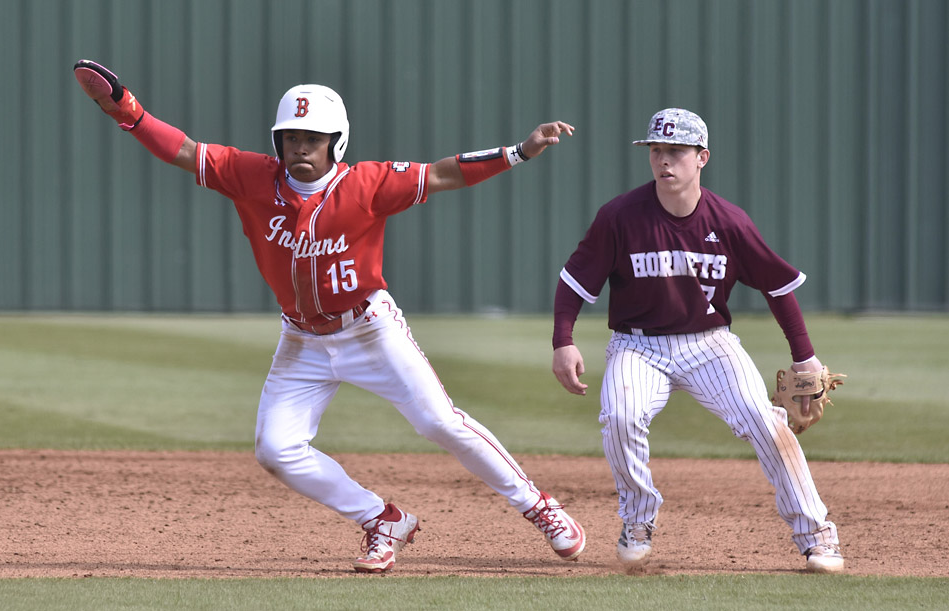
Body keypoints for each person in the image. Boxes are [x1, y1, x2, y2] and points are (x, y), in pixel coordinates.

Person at [73, 59, 585, 573]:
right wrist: (122, 107)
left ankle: (540, 509)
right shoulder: (251, 177)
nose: (300, 147)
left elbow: (444, 172)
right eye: (291, 137)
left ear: (336, 142)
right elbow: (182, 150)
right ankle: (382, 519)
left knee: (439, 422)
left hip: (369, 329)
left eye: (313, 138)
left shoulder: (367, 184)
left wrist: (518, 152)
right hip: (302, 341)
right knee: (276, 449)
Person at [550, 108, 844, 574]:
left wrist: (805, 357)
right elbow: (574, 282)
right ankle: (638, 520)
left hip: (710, 344)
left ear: (702, 157)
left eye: (677, 152)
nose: (664, 161)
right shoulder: (620, 217)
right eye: (656, 151)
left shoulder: (729, 222)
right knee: (621, 417)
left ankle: (817, 535)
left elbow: (777, 286)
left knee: (767, 424)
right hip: (636, 346)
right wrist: (562, 340)